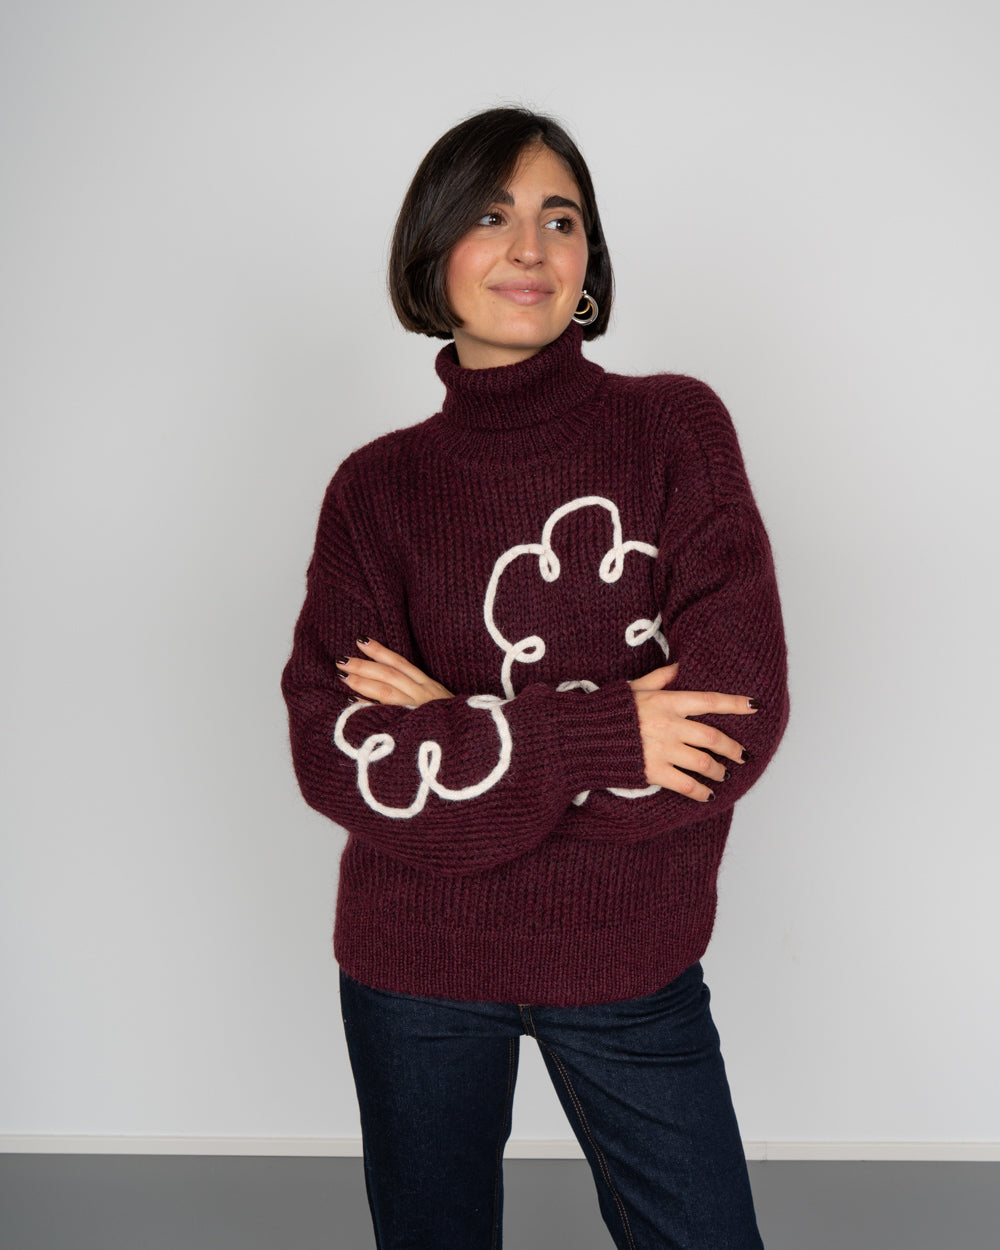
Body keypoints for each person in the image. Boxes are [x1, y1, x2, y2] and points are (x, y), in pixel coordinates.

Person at [282, 106, 789, 1250]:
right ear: (431, 254)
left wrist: (453, 728)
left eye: (560, 220)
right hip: (413, 959)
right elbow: (338, 754)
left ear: (589, 262)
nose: (529, 247)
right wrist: (599, 733)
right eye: (488, 215)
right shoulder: (375, 488)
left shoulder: (674, 427)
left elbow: (732, 723)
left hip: (627, 950)